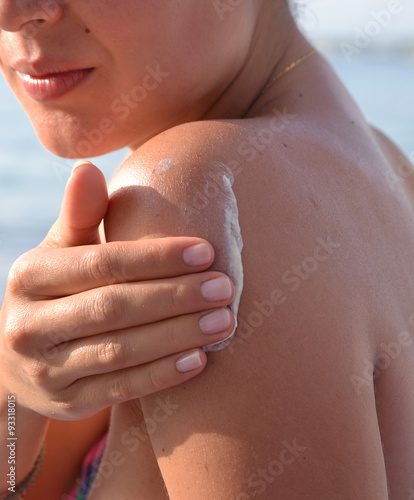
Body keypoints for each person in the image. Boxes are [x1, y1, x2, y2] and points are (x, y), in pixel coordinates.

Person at [0, 1, 413, 498]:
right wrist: (15, 401)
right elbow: (17, 479)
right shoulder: (391, 170)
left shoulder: (191, 192)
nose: (11, 12)